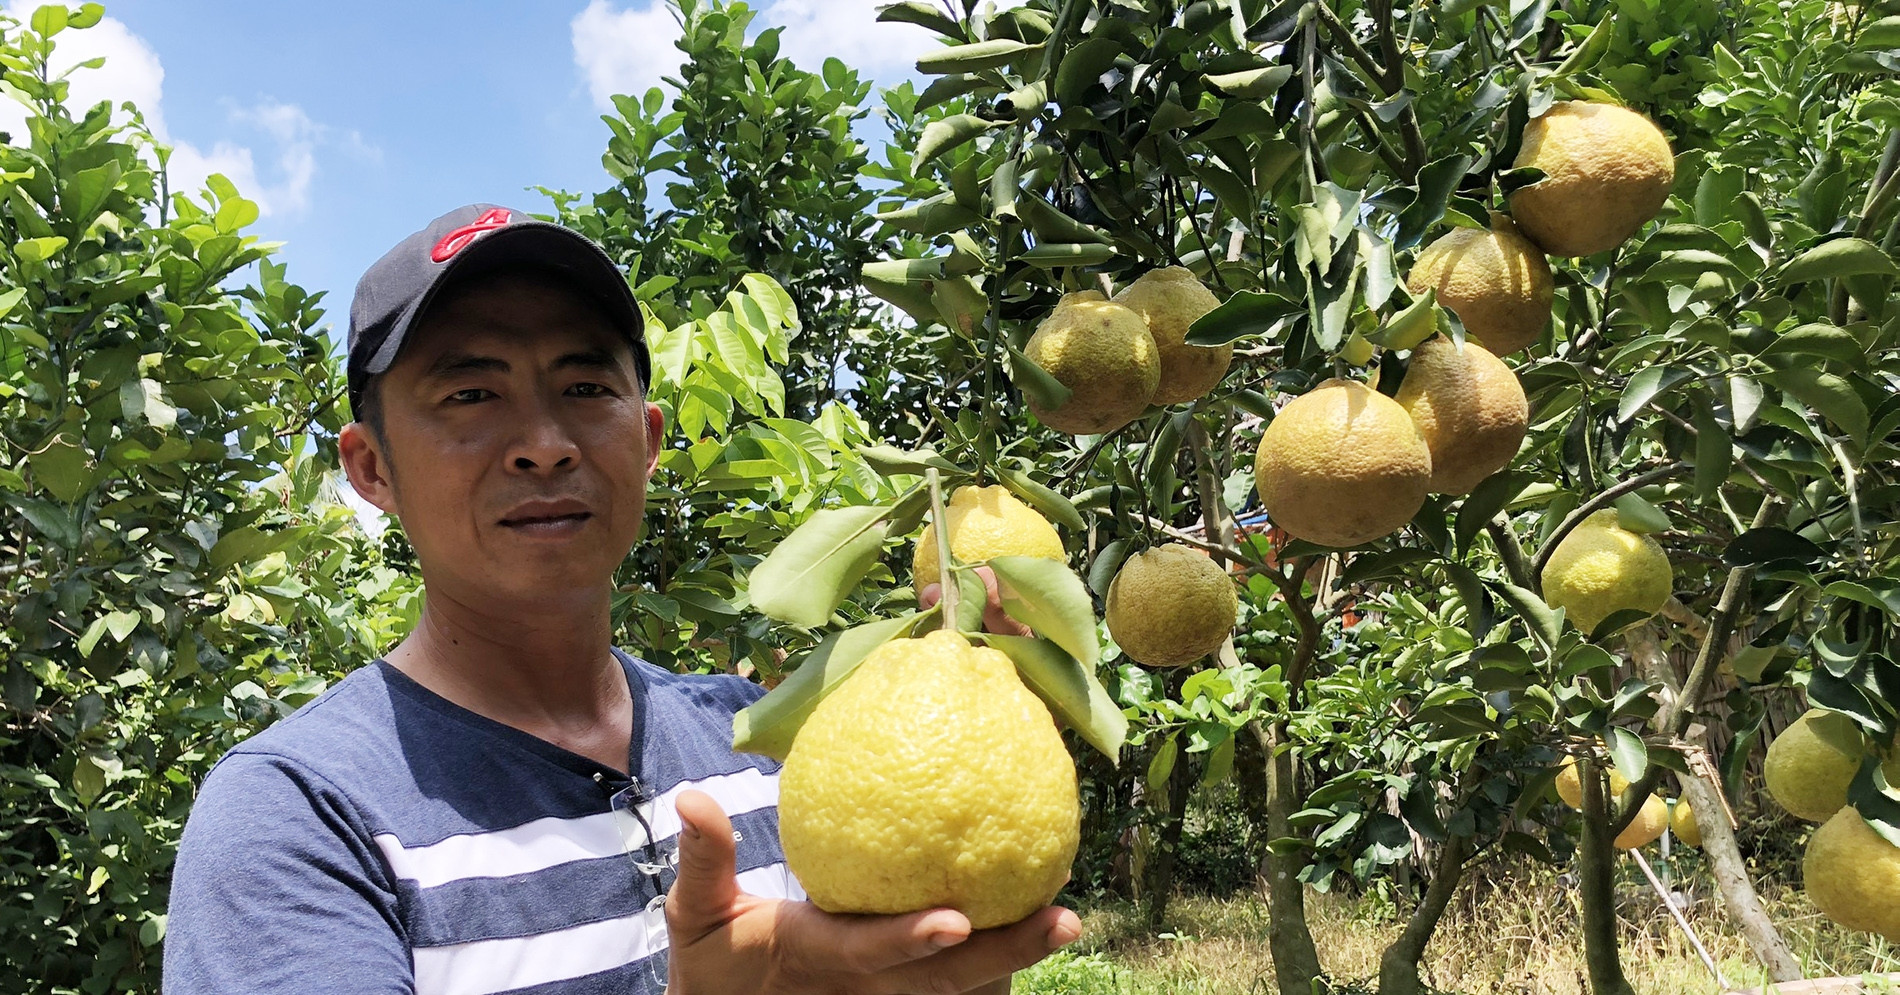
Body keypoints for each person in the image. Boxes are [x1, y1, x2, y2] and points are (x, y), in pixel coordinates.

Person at [162, 204, 1080, 994]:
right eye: (472, 391)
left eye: (585, 384)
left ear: (645, 441)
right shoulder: (298, 816)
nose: (545, 443)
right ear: (371, 467)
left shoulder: (759, 742)